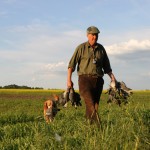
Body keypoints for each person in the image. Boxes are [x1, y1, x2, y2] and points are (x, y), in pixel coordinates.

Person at [67, 26, 116, 124]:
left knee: (95, 105)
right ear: (87, 35)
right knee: (90, 103)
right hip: (84, 80)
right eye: (93, 35)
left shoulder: (101, 49)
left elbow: (107, 67)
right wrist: (69, 80)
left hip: (98, 80)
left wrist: (113, 78)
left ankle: (88, 125)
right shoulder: (81, 48)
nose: (95, 37)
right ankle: (98, 126)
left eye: (96, 35)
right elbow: (71, 65)